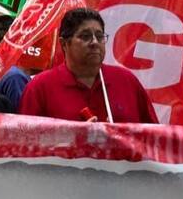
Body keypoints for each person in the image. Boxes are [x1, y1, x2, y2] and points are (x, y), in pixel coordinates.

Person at [19, 8, 157, 123]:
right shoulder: (39, 88)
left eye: (100, 36)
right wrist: (75, 139)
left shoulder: (127, 82)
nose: (95, 42)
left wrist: (120, 135)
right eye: (85, 36)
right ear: (64, 44)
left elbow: (154, 139)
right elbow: (24, 144)